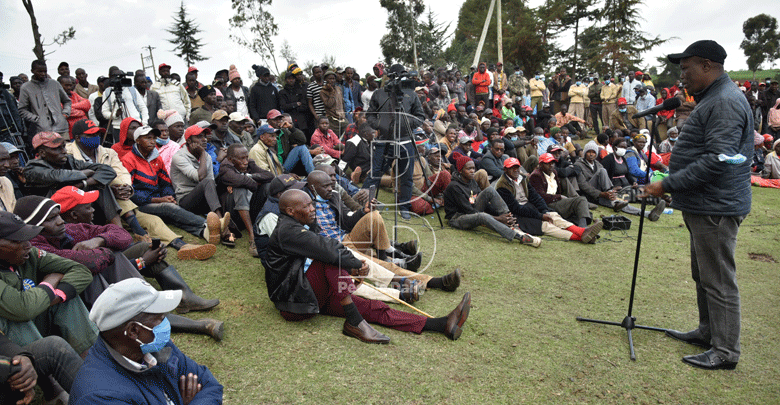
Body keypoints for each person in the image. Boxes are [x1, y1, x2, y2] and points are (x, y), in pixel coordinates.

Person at [644, 40, 753, 370]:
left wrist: (667, 183)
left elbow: (719, 160)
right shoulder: (715, 98)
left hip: (716, 207)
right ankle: (708, 332)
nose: (682, 76)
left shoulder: (724, 103)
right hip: (705, 204)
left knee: (718, 279)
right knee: (704, 274)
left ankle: (725, 351)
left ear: (707, 66)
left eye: (686, 68)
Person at [262, 189, 471, 343]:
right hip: (293, 304)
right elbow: (327, 248)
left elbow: (330, 247)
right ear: (290, 210)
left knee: (373, 308)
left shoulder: (297, 224)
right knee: (329, 259)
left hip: (309, 297)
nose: (312, 208)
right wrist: (353, 265)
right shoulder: (286, 231)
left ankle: (440, 324)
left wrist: (351, 268)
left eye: (311, 204)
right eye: (306, 206)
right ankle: (354, 322)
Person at [69, 278, 223, 404]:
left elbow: (209, 385)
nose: (166, 323)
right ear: (134, 331)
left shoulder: (155, 346)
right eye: (160, 318)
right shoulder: (100, 398)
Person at [0, 211, 97, 358]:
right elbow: (23, 309)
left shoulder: (30, 254)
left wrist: (57, 295)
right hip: (12, 352)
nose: (28, 245)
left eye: (26, 237)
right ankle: (47, 374)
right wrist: (49, 282)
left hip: (38, 321)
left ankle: (94, 358)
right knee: (18, 318)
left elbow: (81, 270)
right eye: (17, 240)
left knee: (67, 297)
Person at [362, 64, 426, 219]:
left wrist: (405, 124)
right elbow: (370, 115)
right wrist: (379, 126)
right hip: (384, 140)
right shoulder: (379, 93)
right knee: (375, 173)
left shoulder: (411, 94)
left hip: (405, 141)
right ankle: (363, 202)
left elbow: (420, 116)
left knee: (407, 176)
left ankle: (404, 206)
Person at [24, 131, 122, 226]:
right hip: (51, 212)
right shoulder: (32, 168)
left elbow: (108, 171)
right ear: (42, 152)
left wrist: (84, 183)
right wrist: (83, 173)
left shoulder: (68, 160)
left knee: (100, 185)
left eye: (63, 146)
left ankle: (119, 230)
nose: (64, 151)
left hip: (73, 205)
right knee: (71, 190)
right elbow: (60, 177)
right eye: (57, 148)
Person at [496, 157, 602, 244]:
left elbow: (535, 196)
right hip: (518, 215)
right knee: (547, 226)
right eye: (512, 168)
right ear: (505, 170)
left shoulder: (523, 178)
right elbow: (516, 208)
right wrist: (540, 216)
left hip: (530, 207)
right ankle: (580, 236)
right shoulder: (502, 185)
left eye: (517, 167)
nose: (516, 170)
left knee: (553, 216)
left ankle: (582, 231)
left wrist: (545, 211)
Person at [443, 153, 540, 247]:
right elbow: (469, 211)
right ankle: (519, 237)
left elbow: (480, 200)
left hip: (472, 209)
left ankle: (512, 224)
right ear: (460, 170)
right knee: (482, 216)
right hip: (458, 218)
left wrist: (503, 216)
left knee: (489, 190)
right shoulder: (454, 186)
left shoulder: (471, 180)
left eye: (473, 168)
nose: (472, 171)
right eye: (469, 169)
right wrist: (498, 219)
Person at [170, 124, 234, 246]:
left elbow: (211, 184)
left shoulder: (207, 157)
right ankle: (222, 224)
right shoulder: (179, 157)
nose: (204, 139)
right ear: (189, 141)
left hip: (204, 198)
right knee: (207, 182)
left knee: (224, 184)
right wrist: (203, 154)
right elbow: (200, 177)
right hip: (186, 200)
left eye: (204, 136)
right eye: (199, 137)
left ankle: (228, 224)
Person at [216, 143, 274, 256]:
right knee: (240, 188)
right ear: (231, 159)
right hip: (233, 214)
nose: (245, 161)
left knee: (267, 186)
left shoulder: (249, 164)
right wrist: (252, 182)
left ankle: (268, 224)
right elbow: (240, 181)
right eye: (241, 159)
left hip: (249, 208)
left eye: (246, 157)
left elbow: (269, 176)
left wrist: (249, 177)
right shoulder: (225, 168)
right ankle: (252, 236)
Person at [528, 153, 592, 227]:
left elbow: (558, 190)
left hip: (556, 201)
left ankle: (580, 224)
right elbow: (540, 197)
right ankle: (583, 227)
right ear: (541, 165)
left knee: (584, 211)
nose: (551, 165)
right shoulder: (536, 175)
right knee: (581, 200)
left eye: (552, 163)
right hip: (548, 204)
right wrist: (559, 197)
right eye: (548, 163)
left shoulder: (554, 172)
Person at [17, 60, 71, 137]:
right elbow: (22, 110)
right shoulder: (26, 88)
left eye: (45, 71)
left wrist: (65, 113)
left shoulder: (54, 84)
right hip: (42, 131)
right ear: (32, 71)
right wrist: (36, 119)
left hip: (61, 128)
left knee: (65, 148)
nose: (43, 74)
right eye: (40, 71)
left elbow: (67, 101)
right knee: (49, 149)